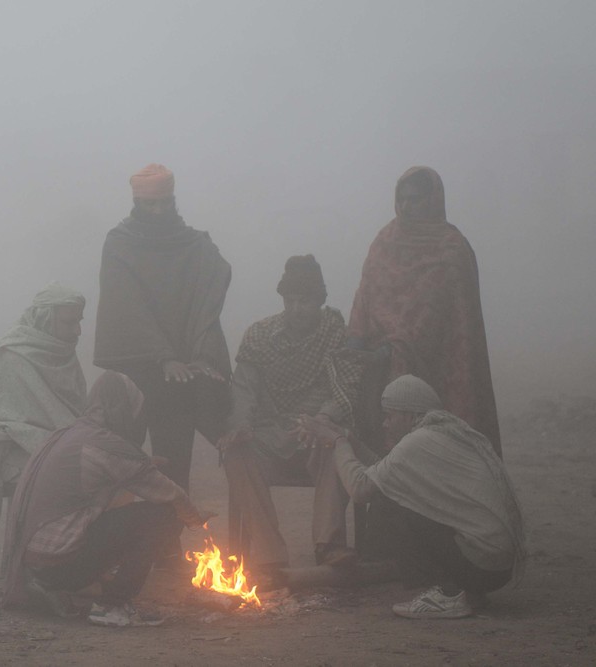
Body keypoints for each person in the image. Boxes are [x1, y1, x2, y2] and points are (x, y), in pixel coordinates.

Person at [299, 375, 525, 619]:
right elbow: (386, 470)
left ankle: (447, 594)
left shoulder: (419, 441)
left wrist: (338, 441)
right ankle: (469, 594)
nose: (385, 424)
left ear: (409, 415)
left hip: (480, 566)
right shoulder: (446, 431)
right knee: (390, 490)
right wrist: (352, 441)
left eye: (390, 416)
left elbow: (360, 488)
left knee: (389, 502)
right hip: (498, 568)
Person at [93, 164, 232, 564]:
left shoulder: (193, 243)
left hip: (180, 376)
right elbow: (126, 305)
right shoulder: (119, 243)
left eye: (164, 203)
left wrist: (198, 354)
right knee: (119, 462)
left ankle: (166, 550)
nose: (157, 212)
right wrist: (162, 354)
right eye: (148, 204)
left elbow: (215, 276)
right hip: (134, 371)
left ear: (173, 201)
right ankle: (108, 551)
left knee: (173, 466)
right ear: (136, 202)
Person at [2, 371, 214, 627]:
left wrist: (140, 466)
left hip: (33, 564)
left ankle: (54, 586)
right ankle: (112, 605)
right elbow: (172, 495)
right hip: (60, 565)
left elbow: (109, 474)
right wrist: (195, 519)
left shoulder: (69, 433)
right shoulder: (106, 445)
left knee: (127, 511)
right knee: (167, 516)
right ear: (123, 409)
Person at [217, 255, 363, 573]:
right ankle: (270, 553)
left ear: (320, 300)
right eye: (291, 300)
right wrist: (240, 425)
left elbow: (346, 389)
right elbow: (243, 389)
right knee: (235, 453)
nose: (297, 308)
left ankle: (329, 546)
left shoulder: (336, 335)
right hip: (270, 435)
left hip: (313, 436)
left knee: (335, 446)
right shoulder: (259, 336)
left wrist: (321, 421)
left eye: (306, 301)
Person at [347, 166, 502, 455]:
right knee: (376, 448)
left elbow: (450, 315)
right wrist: (356, 343)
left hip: (440, 368)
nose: (407, 206)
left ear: (432, 200)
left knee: (437, 450)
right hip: (377, 367)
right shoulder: (384, 240)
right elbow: (365, 295)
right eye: (402, 199)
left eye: (415, 199)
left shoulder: (451, 247)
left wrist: (400, 344)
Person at [0, 283, 87, 521]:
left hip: (59, 443)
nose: (78, 331)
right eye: (69, 322)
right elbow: (2, 416)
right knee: (93, 469)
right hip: (12, 453)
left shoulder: (62, 351)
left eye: (79, 321)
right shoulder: (12, 354)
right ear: (45, 319)